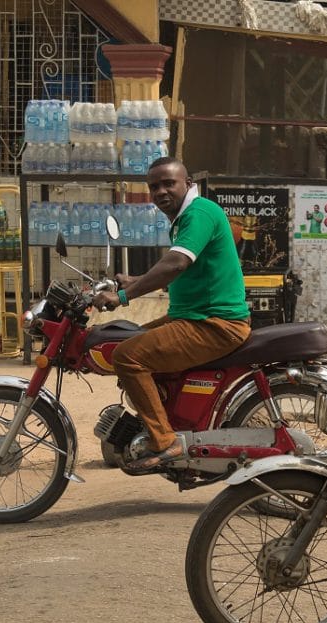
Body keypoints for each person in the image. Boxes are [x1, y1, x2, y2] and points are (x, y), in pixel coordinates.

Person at [93, 157, 251, 471]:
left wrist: (123, 296)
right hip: (194, 317)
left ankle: (165, 441)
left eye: (169, 183)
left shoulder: (199, 213)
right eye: (154, 186)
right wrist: (136, 279)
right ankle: (168, 419)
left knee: (127, 356)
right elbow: (185, 269)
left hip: (214, 324)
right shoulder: (185, 217)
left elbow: (176, 264)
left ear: (188, 184)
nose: (161, 191)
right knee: (132, 337)